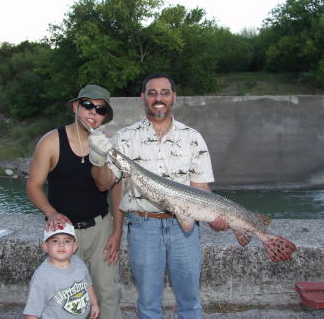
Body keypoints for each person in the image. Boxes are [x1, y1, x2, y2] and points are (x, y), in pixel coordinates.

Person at [88, 74, 228, 319]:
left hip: (185, 229)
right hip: (144, 226)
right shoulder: (125, 137)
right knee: (149, 301)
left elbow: (201, 188)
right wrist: (98, 158)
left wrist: (216, 217)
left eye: (164, 92)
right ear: (143, 97)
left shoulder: (192, 138)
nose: (158, 98)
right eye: (152, 93)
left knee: (190, 299)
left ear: (173, 97)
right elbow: (104, 184)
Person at [26, 85, 122, 319]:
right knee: (67, 297)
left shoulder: (109, 146)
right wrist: (50, 213)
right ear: (75, 106)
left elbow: (113, 188)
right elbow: (33, 186)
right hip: (63, 233)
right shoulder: (51, 142)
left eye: (100, 110)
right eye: (87, 105)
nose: (93, 113)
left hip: (100, 229)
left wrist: (117, 232)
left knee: (107, 294)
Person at [23, 222, 100, 319]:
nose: (61, 245)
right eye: (55, 241)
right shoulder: (42, 276)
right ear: (45, 246)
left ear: (74, 247)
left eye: (67, 241)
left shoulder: (79, 262)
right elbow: (32, 312)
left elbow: (88, 284)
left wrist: (94, 304)